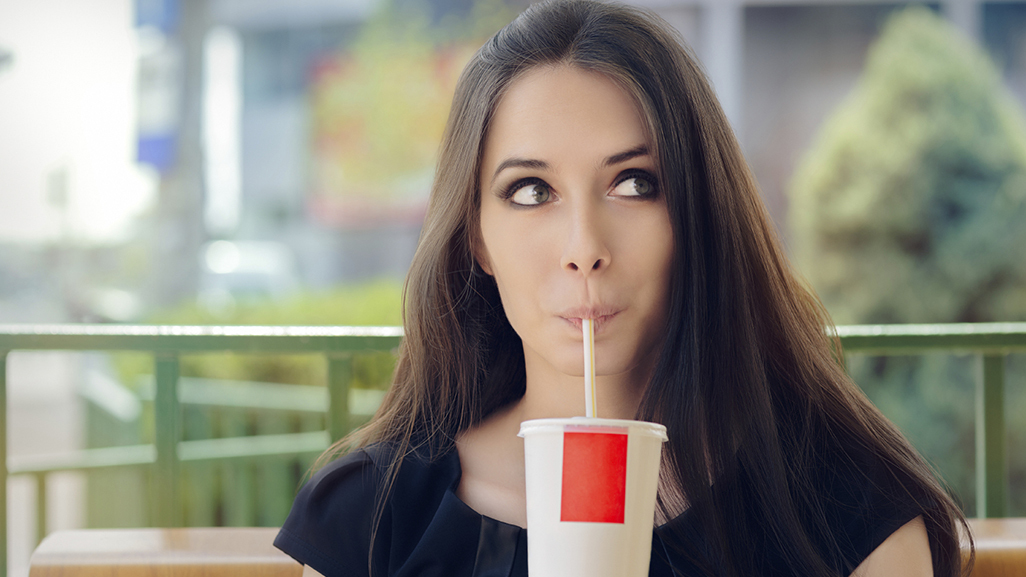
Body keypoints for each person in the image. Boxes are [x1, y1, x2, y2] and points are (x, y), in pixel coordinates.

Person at [274, 1, 972, 575]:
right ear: (475, 236)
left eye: (635, 183)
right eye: (531, 190)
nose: (585, 248)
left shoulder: (843, 511)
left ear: (698, 214)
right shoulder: (371, 519)